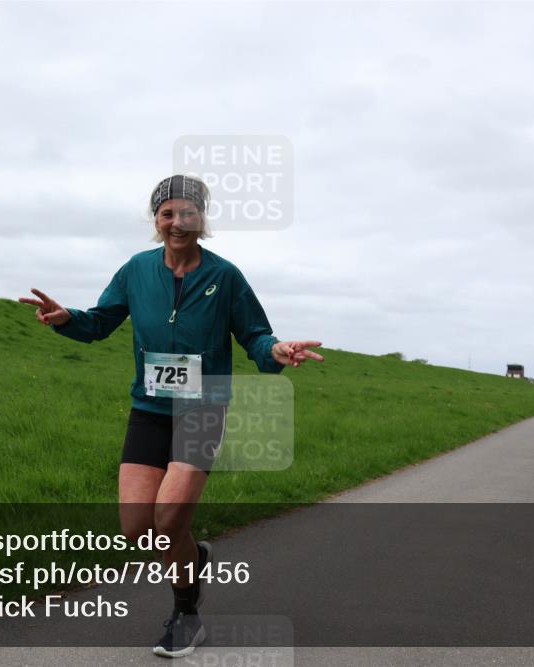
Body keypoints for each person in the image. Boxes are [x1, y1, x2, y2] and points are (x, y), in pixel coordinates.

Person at [20, 174, 323, 658]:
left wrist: (278, 350)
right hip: (149, 409)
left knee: (169, 520)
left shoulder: (225, 277)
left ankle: (185, 612)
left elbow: (256, 336)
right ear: (155, 220)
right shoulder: (137, 270)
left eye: (187, 212)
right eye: (167, 213)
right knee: (138, 528)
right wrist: (67, 319)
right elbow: (101, 321)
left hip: (203, 409)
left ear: (201, 219)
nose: (177, 222)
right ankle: (195, 556)